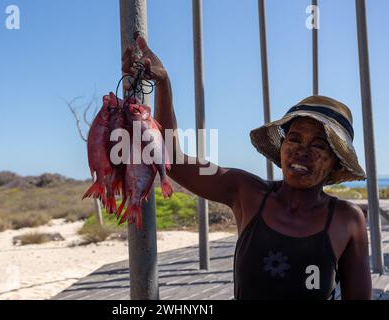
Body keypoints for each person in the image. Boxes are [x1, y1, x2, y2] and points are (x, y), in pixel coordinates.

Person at [122, 36, 372, 300]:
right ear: (282, 146)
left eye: (319, 145)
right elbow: (173, 159)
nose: (302, 150)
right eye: (295, 139)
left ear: (335, 161)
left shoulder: (346, 219)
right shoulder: (247, 193)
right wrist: (164, 83)